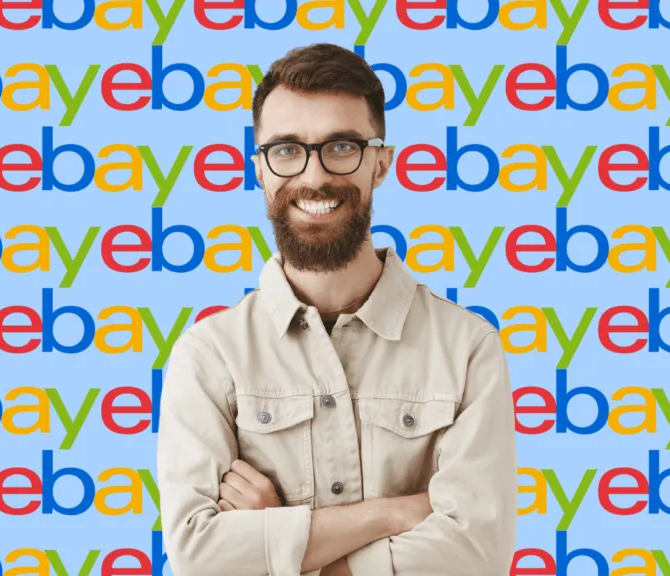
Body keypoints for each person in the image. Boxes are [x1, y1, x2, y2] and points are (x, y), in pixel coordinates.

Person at [157, 42, 516, 576]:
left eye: (341, 146)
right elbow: (197, 558)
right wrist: (394, 513)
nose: (313, 175)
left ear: (380, 162)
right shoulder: (209, 357)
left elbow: (477, 556)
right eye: (285, 149)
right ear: (259, 168)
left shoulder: (467, 348)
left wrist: (280, 544)